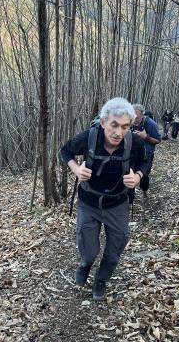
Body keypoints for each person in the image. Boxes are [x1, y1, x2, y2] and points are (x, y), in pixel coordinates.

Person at [60, 97, 148, 301]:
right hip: (89, 202)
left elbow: (145, 161)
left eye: (125, 127)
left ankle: (101, 280)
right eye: (114, 125)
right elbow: (65, 151)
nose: (119, 132)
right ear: (103, 122)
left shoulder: (134, 142)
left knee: (115, 247)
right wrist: (76, 169)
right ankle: (85, 264)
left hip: (117, 203)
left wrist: (137, 177)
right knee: (89, 250)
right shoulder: (90, 137)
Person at [131, 104, 161, 197]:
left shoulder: (151, 124)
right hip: (132, 153)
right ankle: (130, 197)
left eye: (137, 116)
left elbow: (158, 140)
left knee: (144, 175)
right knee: (130, 173)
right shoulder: (128, 122)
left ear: (142, 114)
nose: (134, 119)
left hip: (146, 155)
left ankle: (144, 190)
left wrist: (145, 137)